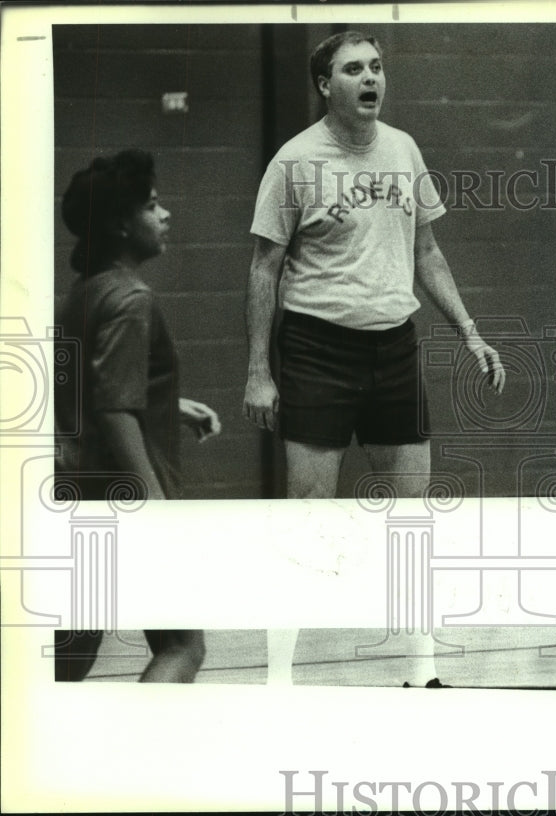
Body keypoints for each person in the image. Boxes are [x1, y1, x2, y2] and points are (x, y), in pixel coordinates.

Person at [242, 31, 505, 686]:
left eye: (378, 66)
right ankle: (278, 678)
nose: (370, 78)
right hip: (316, 348)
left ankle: (423, 672)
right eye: (353, 68)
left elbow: (428, 253)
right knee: (309, 520)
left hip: (394, 346)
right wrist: (258, 369)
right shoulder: (294, 161)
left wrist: (470, 330)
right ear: (324, 85)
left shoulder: (404, 149)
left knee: (412, 518)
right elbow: (263, 267)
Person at [54, 149, 220, 682]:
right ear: (121, 225)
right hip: (123, 495)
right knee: (182, 646)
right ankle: (133, 750)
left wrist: (168, 404)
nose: (165, 214)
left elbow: (97, 387)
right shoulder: (132, 299)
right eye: (152, 206)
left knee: (70, 656)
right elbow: (114, 406)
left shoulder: (85, 293)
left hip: (74, 491)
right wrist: (152, 505)